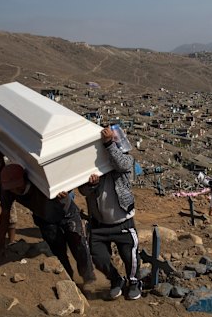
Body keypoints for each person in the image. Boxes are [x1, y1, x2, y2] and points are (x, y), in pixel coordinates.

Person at [0, 164, 96, 286]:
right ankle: (69, 280)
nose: (15, 190)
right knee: (58, 251)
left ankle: (89, 278)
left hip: (66, 212)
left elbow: (67, 182)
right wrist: (1, 245)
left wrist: (64, 192)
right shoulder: (8, 190)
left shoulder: (40, 180)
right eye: (11, 188)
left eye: (17, 185)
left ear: (24, 178)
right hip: (44, 218)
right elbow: (4, 215)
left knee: (78, 244)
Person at [79, 126, 142, 300]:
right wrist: (92, 185)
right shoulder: (92, 168)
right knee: (98, 256)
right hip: (99, 225)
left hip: (123, 222)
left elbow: (121, 164)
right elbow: (83, 191)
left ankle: (134, 282)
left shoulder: (127, 161)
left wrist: (108, 144)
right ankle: (116, 280)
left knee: (130, 257)